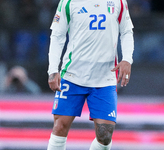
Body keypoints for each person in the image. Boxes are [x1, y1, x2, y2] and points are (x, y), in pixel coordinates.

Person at [47, 0, 134, 149]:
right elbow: (57, 35)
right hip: (72, 75)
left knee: (105, 136)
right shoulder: (68, 2)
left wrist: (127, 59)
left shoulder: (119, 1)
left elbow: (126, 31)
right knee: (60, 126)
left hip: (105, 78)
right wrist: (53, 69)